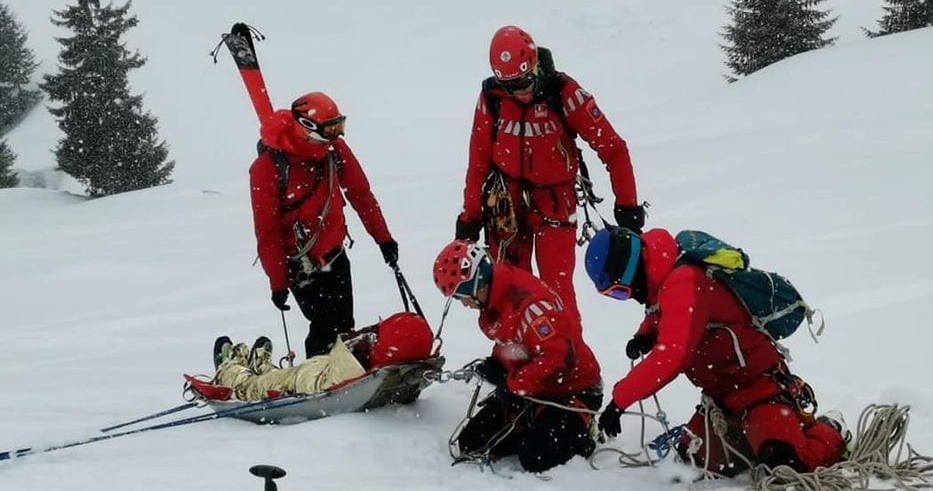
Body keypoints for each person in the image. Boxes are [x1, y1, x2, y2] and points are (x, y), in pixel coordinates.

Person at [583, 227, 847, 476]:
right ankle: (759, 436)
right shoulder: (661, 277)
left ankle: (832, 430)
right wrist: (646, 335)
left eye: (620, 291)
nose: (627, 297)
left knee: (783, 464)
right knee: (693, 462)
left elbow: (672, 357)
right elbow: (662, 312)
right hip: (721, 400)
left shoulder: (683, 281)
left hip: (759, 390)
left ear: (629, 270)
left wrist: (619, 401)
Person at [454, 25, 645, 325]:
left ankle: (573, 364)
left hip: (555, 204)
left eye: (525, 81)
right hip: (506, 204)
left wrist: (628, 204)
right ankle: (515, 360)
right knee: (507, 291)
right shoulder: (491, 98)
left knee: (556, 292)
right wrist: (470, 217)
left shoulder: (564, 93)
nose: (521, 91)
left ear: (535, 65)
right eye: (511, 85)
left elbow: (614, 149)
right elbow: (478, 161)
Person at [432, 239, 602, 473]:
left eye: (461, 295)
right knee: (472, 443)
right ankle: (534, 421)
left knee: (535, 458)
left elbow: (558, 358)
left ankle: (584, 426)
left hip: (573, 388)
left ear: (476, 284)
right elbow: (515, 341)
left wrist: (514, 385)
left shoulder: (532, 306)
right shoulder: (496, 298)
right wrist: (499, 363)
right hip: (533, 389)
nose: (464, 304)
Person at [250, 92, 398, 358]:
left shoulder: (333, 149)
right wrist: (278, 282)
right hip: (299, 266)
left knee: (343, 327)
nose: (336, 135)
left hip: (335, 255)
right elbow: (267, 231)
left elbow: (360, 194)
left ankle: (343, 378)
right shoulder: (267, 168)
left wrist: (383, 239)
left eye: (338, 126)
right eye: (330, 128)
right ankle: (318, 382)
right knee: (325, 326)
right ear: (307, 127)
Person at [210, 312, 435, 401]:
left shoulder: (357, 370)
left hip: (306, 382)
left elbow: (344, 349)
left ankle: (230, 372)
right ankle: (263, 368)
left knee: (258, 385)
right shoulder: (394, 368)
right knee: (286, 373)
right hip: (320, 368)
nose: (372, 335)